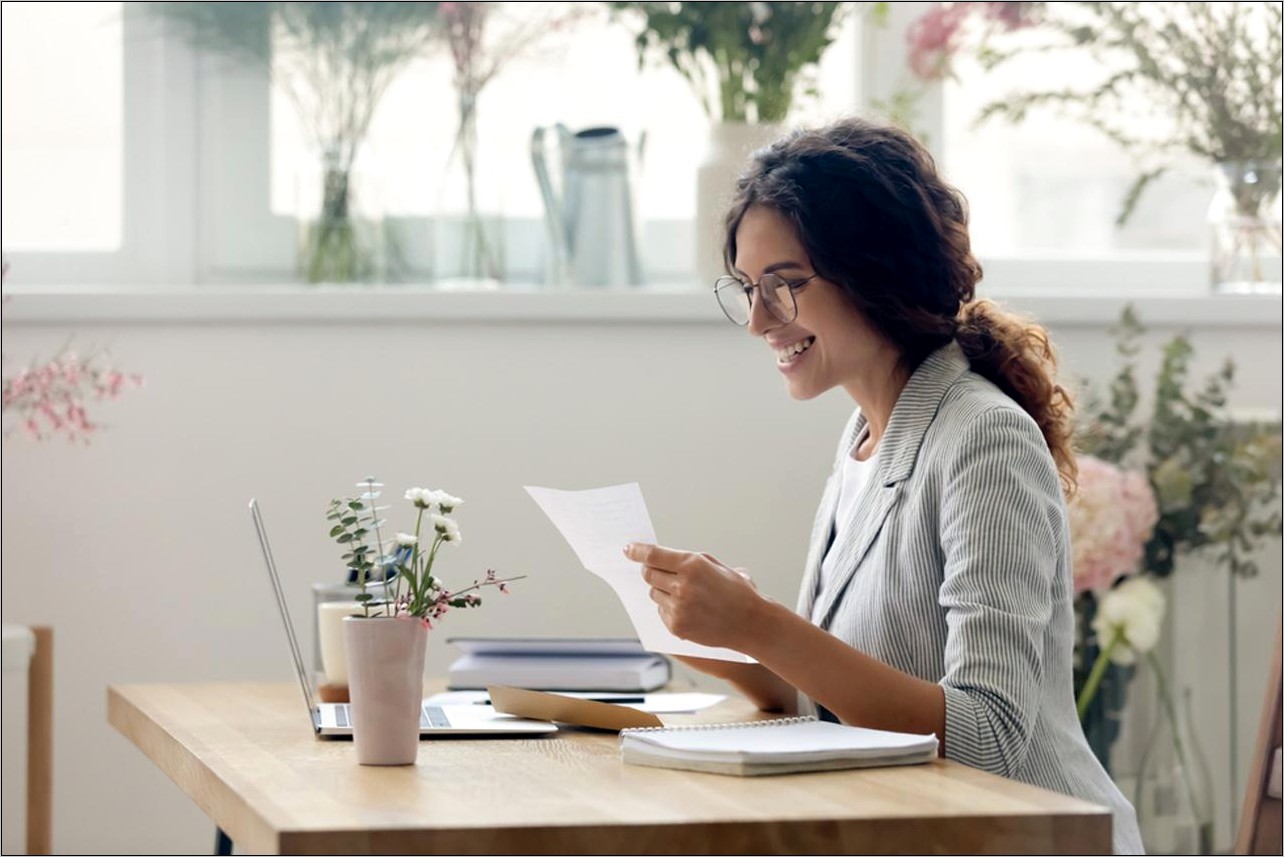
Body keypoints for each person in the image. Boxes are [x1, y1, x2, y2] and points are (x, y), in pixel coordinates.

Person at [623, 117, 1144, 855]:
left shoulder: (983, 439)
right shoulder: (864, 439)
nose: (759, 321)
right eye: (747, 288)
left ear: (874, 269)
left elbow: (986, 738)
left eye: (786, 285)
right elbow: (838, 706)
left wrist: (762, 625)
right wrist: (726, 637)